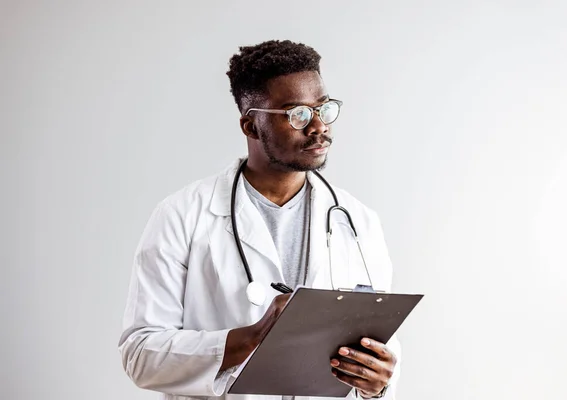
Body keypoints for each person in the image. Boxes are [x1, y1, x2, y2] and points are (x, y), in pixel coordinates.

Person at [118, 40, 401, 400]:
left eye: (322, 108)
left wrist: (378, 385)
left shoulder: (359, 222)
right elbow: (140, 355)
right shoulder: (181, 215)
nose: (317, 126)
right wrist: (252, 337)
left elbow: (381, 351)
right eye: (297, 114)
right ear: (251, 126)